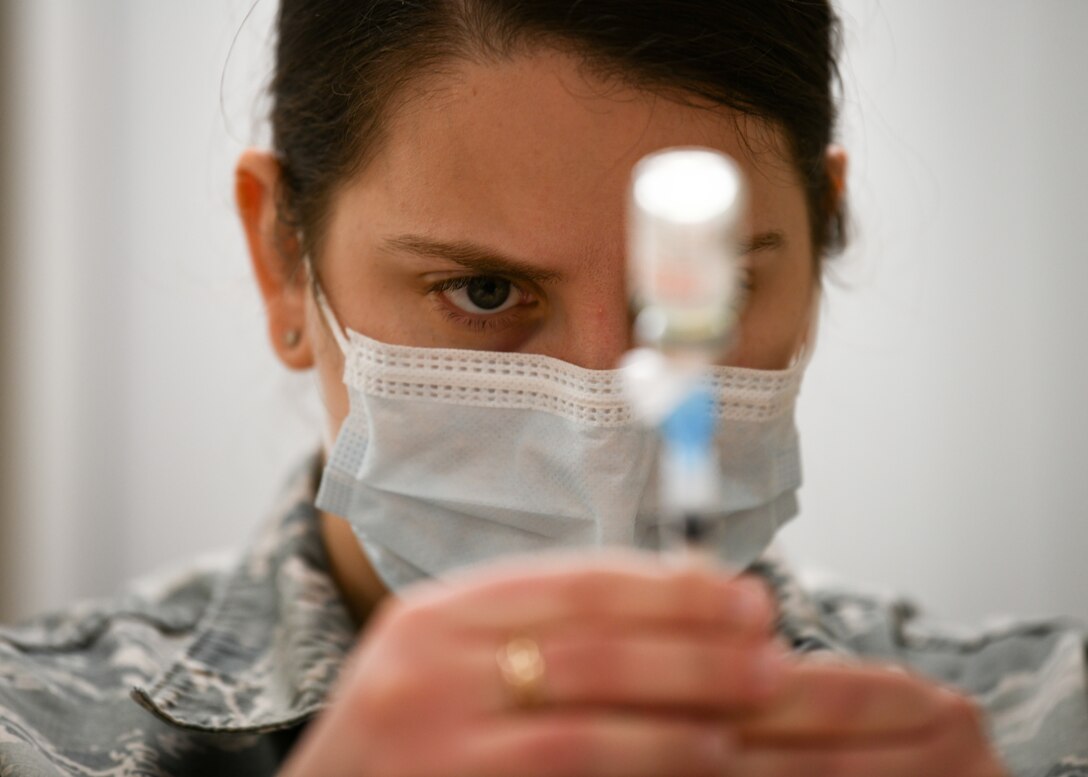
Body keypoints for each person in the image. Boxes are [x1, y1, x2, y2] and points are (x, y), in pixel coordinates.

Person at [1, 1, 1085, 775]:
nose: (608, 417)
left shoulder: (1038, 727)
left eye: (697, 295)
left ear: (809, 257)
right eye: (482, 291)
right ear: (284, 260)